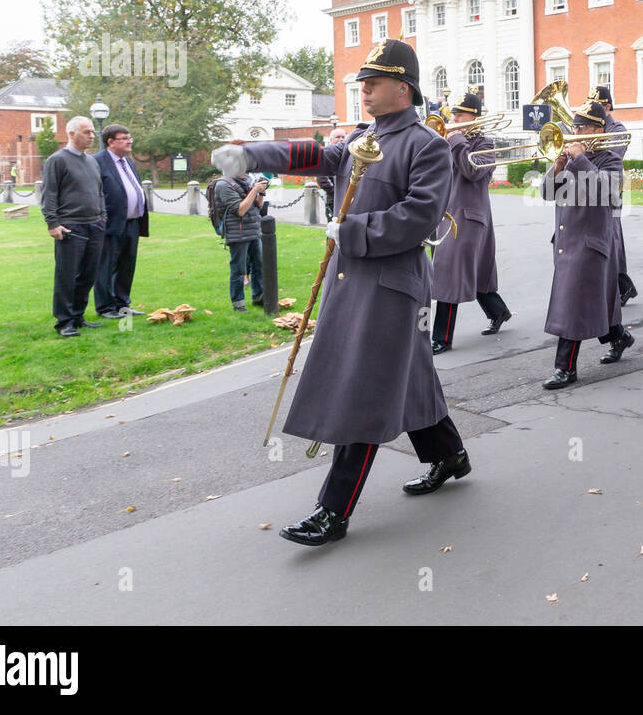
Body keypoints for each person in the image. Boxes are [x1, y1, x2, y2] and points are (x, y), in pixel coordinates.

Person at [213, 37, 469, 548]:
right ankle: (448, 454)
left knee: (365, 386)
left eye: (373, 84)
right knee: (408, 374)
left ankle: (333, 511)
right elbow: (315, 154)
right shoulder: (363, 135)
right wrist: (249, 154)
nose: (364, 91)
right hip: (353, 280)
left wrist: (351, 230)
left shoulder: (427, 145)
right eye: (363, 84)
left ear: (403, 87)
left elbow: (418, 217)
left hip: (392, 286)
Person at [540, 98, 634, 389]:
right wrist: (556, 167)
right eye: (575, 126)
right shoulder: (568, 159)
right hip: (567, 240)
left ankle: (565, 369)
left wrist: (581, 159)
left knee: (572, 303)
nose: (575, 132)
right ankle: (619, 336)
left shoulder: (609, 160)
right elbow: (546, 193)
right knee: (591, 301)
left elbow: (609, 194)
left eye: (580, 127)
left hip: (590, 242)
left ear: (596, 129)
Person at [429, 91, 512, 353]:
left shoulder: (486, 144)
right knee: (472, 272)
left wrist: (455, 139)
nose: (453, 118)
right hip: (445, 215)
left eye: (460, 114)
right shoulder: (447, 140)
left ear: (474, 117)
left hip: (469, 217)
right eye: (453, 113)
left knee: (449, 273)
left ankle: (441, 337)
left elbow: (472, 171)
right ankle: (498, 312)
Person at [40, 116, 106, 338]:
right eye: (86, 132)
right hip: (70, 227)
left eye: (92, 132)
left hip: (94, 225)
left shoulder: (92, 161)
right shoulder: (57, 160)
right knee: (66, 275)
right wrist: (53, 223)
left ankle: (78, 316)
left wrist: (102, 216)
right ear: (71, 134)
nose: (91, 136)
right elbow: (49, 194)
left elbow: (99, 191)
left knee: (88, 274)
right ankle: (64, 321)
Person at [587, 85, 637, 306]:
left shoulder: (618, 129)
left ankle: (622, 287)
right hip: (588, 189)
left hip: (611, 188)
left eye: (596, 104)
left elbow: (610, 155)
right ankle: (624, 287)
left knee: (612, 238)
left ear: (607, 106)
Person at [93, 123, 149, 319]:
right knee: (106, 266)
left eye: (130, 137)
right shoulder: (97, 162)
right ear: (110, 142)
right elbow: (94, 192)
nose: (129, 141)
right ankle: (105, 307)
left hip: (132, 223)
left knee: (127, 266)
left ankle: (122, 304)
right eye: (124, 138)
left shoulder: (129, 162)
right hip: (110, 224)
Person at [214, 170, 267, 312]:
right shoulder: (223, 184)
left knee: (259, 264)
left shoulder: (248, 180)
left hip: (254, 229)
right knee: (239, 269)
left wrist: (261, 192)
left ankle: (259, 297)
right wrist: (254, 189)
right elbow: (240, 210)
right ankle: (238, 304)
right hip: (237, 232)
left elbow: (257, 206)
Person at [319, 126, 348, 218]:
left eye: (343, 137)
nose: (341, 139)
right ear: (331, 140)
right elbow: (322, 179)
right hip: (333, 200)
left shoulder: (348, 154)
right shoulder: (327, 155)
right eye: (338, 137)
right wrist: (336, 191)